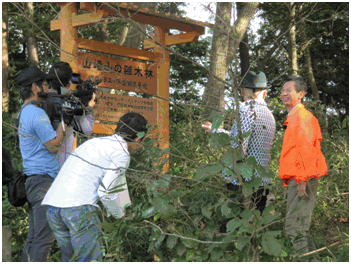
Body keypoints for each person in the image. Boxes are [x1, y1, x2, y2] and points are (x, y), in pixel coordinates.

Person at [42, 112, 148, 262]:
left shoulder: (95, 142)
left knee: (71, 260)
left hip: (54, 207)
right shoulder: (122, 152)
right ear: (138, 138)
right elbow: (105, 191)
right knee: (90, 260)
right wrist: (119, 214)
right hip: (78, 209)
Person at [202, 71, 276, 221]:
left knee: (233, 225)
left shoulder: (245, 109)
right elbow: (248, 137)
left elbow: (239, 145)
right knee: (255, 225)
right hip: (262, 181)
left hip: (243, 181)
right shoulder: (270, 115)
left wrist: (229, 174)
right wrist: (217, 130)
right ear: (265, 92)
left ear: (244, 91)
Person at [16, 66, 68, 262]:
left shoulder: (25, 112)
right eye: (45, 84)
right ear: (35, 87)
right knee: (44, 238)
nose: (48, 87)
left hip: (33, 181)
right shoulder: (37, 114)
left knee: (34, 237)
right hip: (43, 182)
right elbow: (54, 146)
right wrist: (65, 123)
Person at [279, 76, 327, 257]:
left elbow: (306, 151)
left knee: (294, 226)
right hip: (299, 177)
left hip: (303, 177)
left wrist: (301, 180)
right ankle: (314, 259)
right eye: (282, 90)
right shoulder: (295, 116)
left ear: (300, 94)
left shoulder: (302, 117)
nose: (283, 94)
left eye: (288, 90)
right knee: (300, 226)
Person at [45, 61, 96, 167]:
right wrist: (89, 107)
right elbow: (87, 130)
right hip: (58, 168)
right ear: (69, 82)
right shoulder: (67, 105)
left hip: (38, 168)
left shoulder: (40, 101)